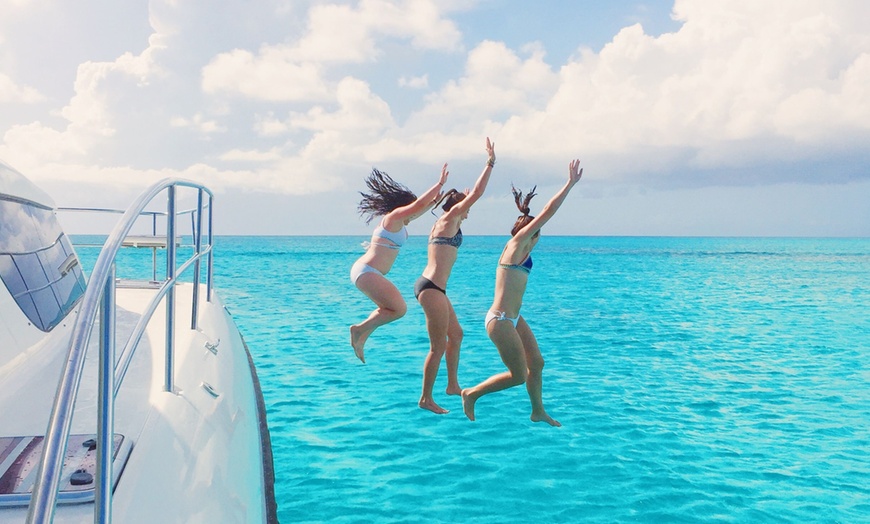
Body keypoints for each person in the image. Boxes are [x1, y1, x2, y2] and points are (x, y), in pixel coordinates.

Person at [461, 158, 584, 426]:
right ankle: (472, 394)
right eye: (536, 234)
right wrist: (569, 184)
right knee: (517, 375)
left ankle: (537, 410)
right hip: (501, 321)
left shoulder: (522, 250)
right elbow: (548, 211)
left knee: (537, 364)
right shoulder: (516, 244)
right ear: (530, 234)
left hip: (513, 318)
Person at [415, 137, 496, 414]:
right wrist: (490, 163)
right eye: (464, 206)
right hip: (431, 289)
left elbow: (465, 202)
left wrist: (458, 199)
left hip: (434, 288)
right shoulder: (448, 219)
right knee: (437, 347)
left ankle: (451, 385)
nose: (468, 210)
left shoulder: (447, 221)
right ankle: (426, 398)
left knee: (456, 335)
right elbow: (476, 193)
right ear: (456, 207)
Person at [350, 165, 449, 363]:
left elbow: (417, 211)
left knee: (389, 309)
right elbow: (417, 206)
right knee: (399, 309)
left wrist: (434, 203)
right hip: (367, 271)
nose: (412, 216)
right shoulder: (392, 218)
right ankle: (359, 329)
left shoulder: (398, 224)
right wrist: (438, 185)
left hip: (368, 272)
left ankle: (362, 336)